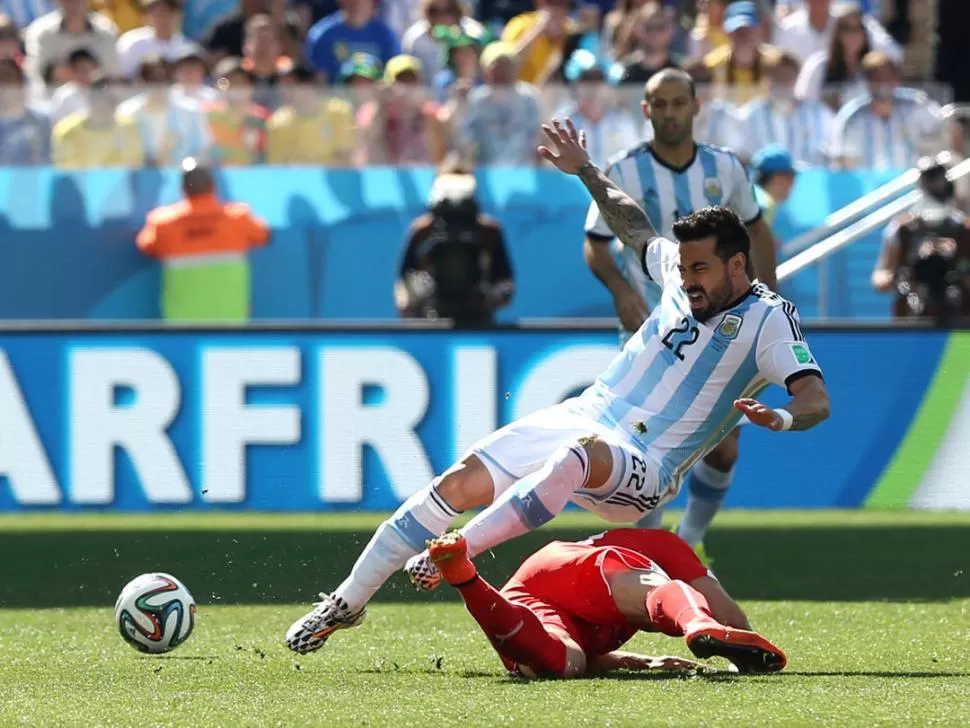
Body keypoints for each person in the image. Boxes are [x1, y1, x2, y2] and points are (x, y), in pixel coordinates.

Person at [283, 118, 830, 655]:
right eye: (683, 268)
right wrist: (586, 170)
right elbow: (634, 226)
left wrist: (779, 417)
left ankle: (455, 552)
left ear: (738, 263)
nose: (687, 280)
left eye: (701, 270)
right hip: (590, 411)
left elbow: (815, 399)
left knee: (578, 456)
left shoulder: (769, 320)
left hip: (648, 462)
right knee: (458, 482)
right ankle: (347, 601)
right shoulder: (679, 275)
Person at [582, 69, 778, 558]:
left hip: (722, 329)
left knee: (725, 444)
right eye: (659, 104)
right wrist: (621, 290)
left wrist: (767, 305)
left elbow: (758, 233)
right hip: (654, 330)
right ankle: (647, 548)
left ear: (695, 106)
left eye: (678, 103)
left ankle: (689, 540)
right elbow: (596, 245)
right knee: (642, 445)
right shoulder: (624, 170)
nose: (669, 113)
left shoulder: (726, 168)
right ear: (645, 110)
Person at [428, 528, 786, 678]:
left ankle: (466, 579)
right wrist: (737, 639)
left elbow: (591, 658)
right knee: (654, 589)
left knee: (567, 662)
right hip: (569, 570)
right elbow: (729, 617)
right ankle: (695, 624)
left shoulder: (649, 543)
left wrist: (644, 662)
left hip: (529, 592)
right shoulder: (664, 546)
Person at [137, 157, 270, 322]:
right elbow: (264, 235)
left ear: (183, 189)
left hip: (181, 324)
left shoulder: (162, 224)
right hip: (231, 323)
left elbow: (145, 246)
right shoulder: (238, 219)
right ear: (213, 187)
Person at [395, 156, 514, 326]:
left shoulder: (489, 232)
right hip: (430, 319)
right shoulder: (422, 232)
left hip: (478, 320)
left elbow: (504, 283)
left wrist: (488, 296)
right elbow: (404, 285)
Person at [872, 153, 970, 323]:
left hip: (957, 325)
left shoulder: (964, 230)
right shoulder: (902, 229)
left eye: (940, 179)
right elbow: (880, 278)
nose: (936, 185)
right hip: (913, 322)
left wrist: (958, 272)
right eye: (930, 180)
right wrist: (903, 276)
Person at [830, 51, 942, 171]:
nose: (882, 83)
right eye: (876, 78)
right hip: (868, 187)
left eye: (887, 77)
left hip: (912, 185)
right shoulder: (851, 117)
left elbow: (947, 131)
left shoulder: (918, 106)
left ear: (896, 79)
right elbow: (842, 162)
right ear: (867, 82)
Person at [738, 50, 833, 166]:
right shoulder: (748, 115)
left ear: (796, 79)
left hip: (808, 181)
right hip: (763, 181)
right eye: (777, 76)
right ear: (766, 79)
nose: (782, 82)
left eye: (787, 77)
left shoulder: (819, 114)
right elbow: (742, 158)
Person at [267, 64, 356, 165]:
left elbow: (347, 156)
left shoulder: (340, 111)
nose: (285, 92)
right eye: (282, 87)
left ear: (308, 85)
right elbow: (278, 168)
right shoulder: (278, 122)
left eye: (290, 86)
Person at [51, 74, 143, 166]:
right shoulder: (67, 131)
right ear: (92, 99)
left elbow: (135, 168)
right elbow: (64, 172)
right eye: (108, 98)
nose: (112, 104)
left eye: (116, 99)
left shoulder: (130, 128)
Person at [303, 0, 399, 83]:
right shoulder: (322, 35)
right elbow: (318, 79)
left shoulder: (385, 35)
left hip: (375, 98)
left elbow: (391, 75)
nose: (355, 2)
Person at [116, 0, 198, 78]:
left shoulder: (189, 47)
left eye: (170, 12)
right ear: (147, 15)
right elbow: (119, 79)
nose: (165, 18)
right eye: (159, 13)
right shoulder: (130, 42)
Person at [750, 144, 798, 230]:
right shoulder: (764, 205)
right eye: (792, 175)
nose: (793, 182)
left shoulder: (753, 195)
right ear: (779, 177)